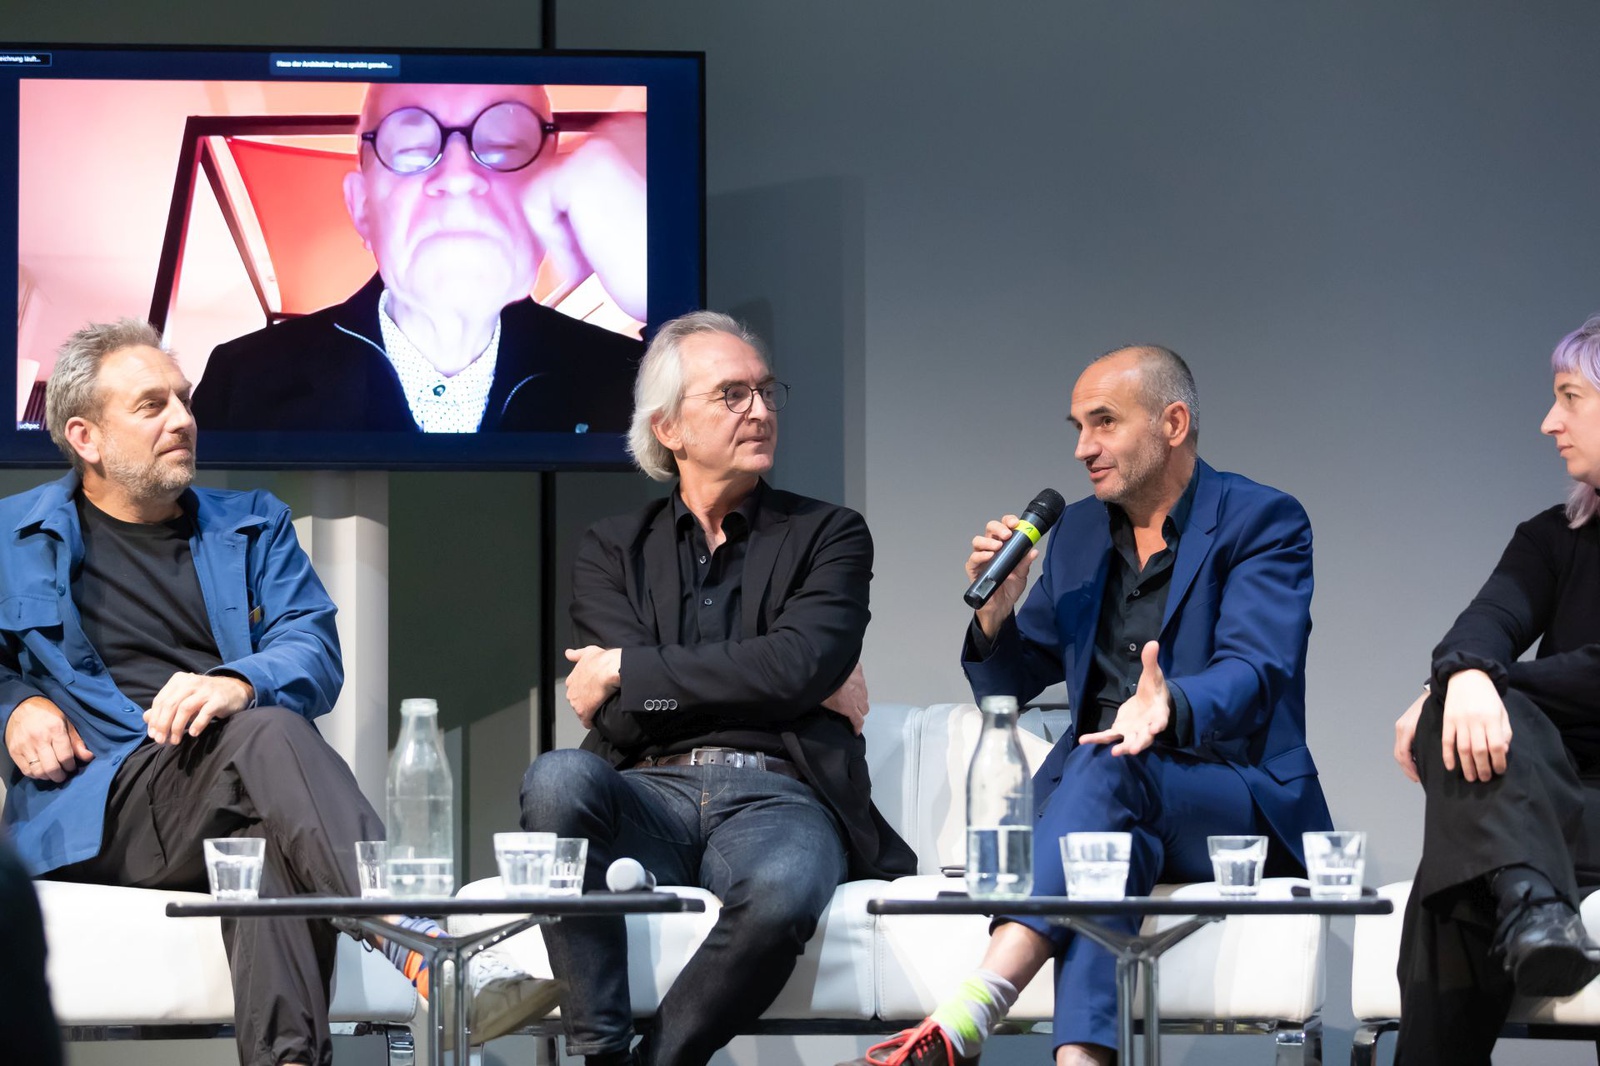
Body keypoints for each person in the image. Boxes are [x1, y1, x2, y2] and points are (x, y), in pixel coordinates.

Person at [1, 320, 554, 1066]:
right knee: (270, 734)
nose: (183, 420)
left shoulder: (254, 523)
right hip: (102, 807)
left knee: (262, 846)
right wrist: (15, 705)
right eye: (152, 405)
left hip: (219, 786)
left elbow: (314, 652)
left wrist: (239, 682)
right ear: (86, 437)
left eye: (185, 400)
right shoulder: (11, 537)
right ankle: (423, 943)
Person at [848, 345, 1333, 1066]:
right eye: (1077, 427)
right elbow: (1009, 688)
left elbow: (1258, 670)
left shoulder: (1262, 520)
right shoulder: (1076, 532)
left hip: (1232, 794)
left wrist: (1169, 704)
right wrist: (996, 616)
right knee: (1105, 851)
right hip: (1110, 797)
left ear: (1173, 423)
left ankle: (971, 1010)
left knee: (1106, 766)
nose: (1082, 447)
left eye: (1104, 422)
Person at [519, 310, 916, 1066]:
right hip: (648, 790)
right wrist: (775, 676)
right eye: (733, 394)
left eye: (766, 391)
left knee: (784, 891)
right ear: (668, 427)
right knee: (557, 778)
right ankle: (600, 1049)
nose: (760, 411)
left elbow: (798, 665)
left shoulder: (830, 534)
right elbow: (625, 719)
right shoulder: (611, 548)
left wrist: (633, 667)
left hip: (780, 792)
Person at [191, 81, 644, 433]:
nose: (459, 176)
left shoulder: (642, 384)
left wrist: (665, 289)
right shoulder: (242, 381)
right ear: (362, 208)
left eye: (504, 146)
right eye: (412, 151)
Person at [1389, 314, 1600, 1064]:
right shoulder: (1553, 537)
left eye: (1570, 397)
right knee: (1463, 694)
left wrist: (1472, 684)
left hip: (1563, 814)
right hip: (1552, 812)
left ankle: (1527, 894)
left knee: (1457, 873)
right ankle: (1531, 902)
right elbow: (1480, 627)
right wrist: (1464, 675)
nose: (1549, 422)